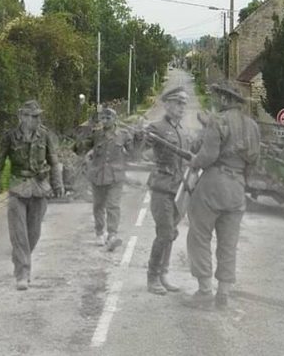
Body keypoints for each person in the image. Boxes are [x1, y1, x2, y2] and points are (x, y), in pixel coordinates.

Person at [185, 82, 260, 310]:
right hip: (237, 187)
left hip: (213, 184)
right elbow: (254, 161)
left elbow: (208, 155)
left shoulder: (218, 121)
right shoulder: (252, 126)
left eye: (218, 97)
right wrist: (242, 180)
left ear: (226, 100)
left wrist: (194, 161)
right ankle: (224, 293)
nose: (216, 100)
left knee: (199, 236)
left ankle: (205, 292)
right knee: (229, 243)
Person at [0, 100, 64, 290]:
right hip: (17, 188)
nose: (37, 119)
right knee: (19, 234)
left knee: (33, 234)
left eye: (38, 116)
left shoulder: (44, 135)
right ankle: (23, 273)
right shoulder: (10, 137)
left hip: (39, 188)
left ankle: (19, 259)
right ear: (22, 117)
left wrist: (57, 184)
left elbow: (54, 162)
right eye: (33, 116)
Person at [144, 86, 193, 295]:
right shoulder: (156, 129)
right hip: (162, 187)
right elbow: (143, 152)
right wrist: (142, 139)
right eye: (178, 103)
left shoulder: (183, 131)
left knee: (171, 233)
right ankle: (152, 276)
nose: (183, 107)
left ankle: (163, 273)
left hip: (179, 190)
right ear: (168, 104)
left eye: (184, 103)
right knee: (164, 232)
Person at [77, 107, 136, 252]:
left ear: (115, 119)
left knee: (113, 205)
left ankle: (112, 235)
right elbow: (80, 148)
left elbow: (134, 153)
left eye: (108, 118)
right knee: (98, 205)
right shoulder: (96, 134)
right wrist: (82, 136)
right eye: (103, 118)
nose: (105, 121)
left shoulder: (123, 134)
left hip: (116, 176)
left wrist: (137, 139)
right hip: (98, 175)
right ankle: (99, 232)